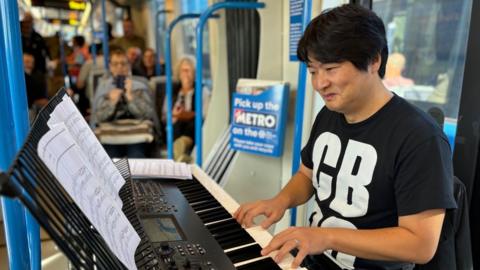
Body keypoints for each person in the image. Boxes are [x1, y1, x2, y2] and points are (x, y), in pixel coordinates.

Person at [234, 4, 455, 270]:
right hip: (313, 259)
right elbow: (306, 175)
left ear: (374, 60)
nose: (319, 83)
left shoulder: (419, 137)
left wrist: (325, 237)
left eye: (331, 68)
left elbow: (420, 245)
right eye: (313, 71)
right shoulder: (330, 114)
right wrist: (279, 201)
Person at [93, 48, 154, 158]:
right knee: (111, 159)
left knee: (136, 157)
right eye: (115, 64)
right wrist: (112, 103)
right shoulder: (103, 87)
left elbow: (148, 114)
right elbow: (98, 118)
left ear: (129, 66)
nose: (119, 67)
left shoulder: (140, 84)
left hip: (137, 133)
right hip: (110, 135)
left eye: (123, 64)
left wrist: (131, 97)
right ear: (110, 67)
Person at [163, 56, 209, 162]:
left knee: (194, 123)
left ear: (194, 73)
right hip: (176, 126)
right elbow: (165, 116)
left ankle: (182, 146)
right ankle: (180, 151)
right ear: (179, 73)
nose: (186, 74)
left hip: (193, 126)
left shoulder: (203, 90)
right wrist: (174, 115)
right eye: (183, 70)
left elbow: (205, 114)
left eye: (189, 70)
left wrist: (190, 114)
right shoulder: (172, 92)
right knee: (175, 124)